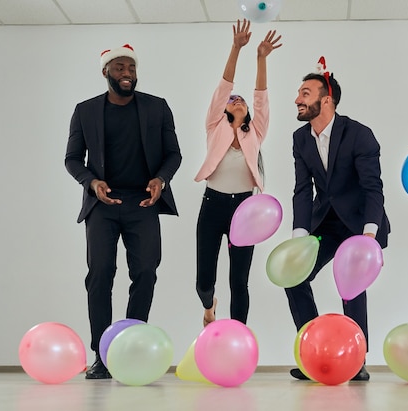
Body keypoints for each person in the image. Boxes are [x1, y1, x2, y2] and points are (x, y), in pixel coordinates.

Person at [65, 44, 182, 379]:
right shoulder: (85, 111)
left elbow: (173, 155)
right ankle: (102, 354)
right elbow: (72, 159)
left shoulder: (157, 108)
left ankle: (131, 345)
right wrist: (91, 182)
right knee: (100, 274)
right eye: (119, 68)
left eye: (131, 67)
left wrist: (161, 179)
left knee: (145, 272)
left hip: (142, 203)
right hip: (103, 205)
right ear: (106, 72)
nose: (127, 73)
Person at [285, 58, 390, 381]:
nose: (297, 99)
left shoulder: (359, 135)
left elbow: (373, 188)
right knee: (294, 277)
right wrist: (300, 234)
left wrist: (368, 235)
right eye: (299, 93)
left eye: (305, 93)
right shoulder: (301, 138)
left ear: (326, 100)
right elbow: (302, 190)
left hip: (360, 224)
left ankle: (355, 360)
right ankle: (314, 351)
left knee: (351, 285)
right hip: (325, 222)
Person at [194, 19, 282, 327]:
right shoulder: (214, 126)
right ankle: (209, 306)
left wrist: (261, 58)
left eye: (241, 99)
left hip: (244, 210)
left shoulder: (255, 131)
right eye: (233, 100)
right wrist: (236, 48)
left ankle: (237, 334)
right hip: (212, 205)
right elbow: (224, 87)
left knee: (239, 281)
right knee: (204, 281)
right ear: (224, 108)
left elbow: (261, 96)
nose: (238, 99)